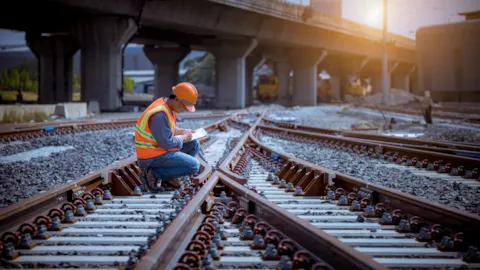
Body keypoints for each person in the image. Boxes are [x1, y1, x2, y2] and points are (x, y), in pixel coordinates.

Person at [135, 82, 201, 192]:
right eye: (185, 106)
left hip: (158, 150)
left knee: (194, 144)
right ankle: (154, 174)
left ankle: (169, 177)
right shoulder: (159, 114)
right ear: (178, 100)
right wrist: (184, 138)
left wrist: (183, 131)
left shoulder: (168, 107)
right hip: (151, 156)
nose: (185, 109)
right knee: (194, 166)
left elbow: (167, 129)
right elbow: (166, 142)